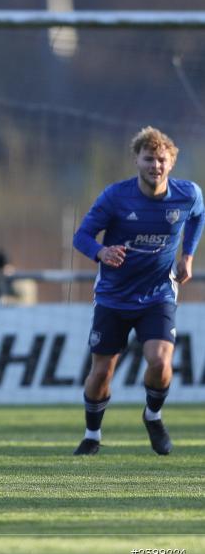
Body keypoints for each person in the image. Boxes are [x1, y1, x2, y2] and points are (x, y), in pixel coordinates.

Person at [72, 126, 203, 456]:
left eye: (161, 160)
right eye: (149, 159)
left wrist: (187, 256)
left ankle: (153, 416)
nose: (155, 166)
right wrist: (101, 252)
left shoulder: (187, 194)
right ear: (136, 160)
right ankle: (92, 436)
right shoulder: (116, 196)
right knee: (102, 370)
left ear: (171, 163)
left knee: (160, 361)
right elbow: (82, 236)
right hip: (113, 297)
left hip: (158, 294)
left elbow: (198, 216)